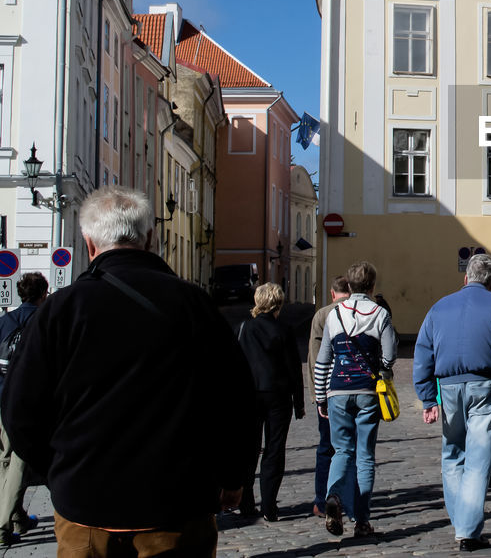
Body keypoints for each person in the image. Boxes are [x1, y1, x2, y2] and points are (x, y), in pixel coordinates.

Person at [1, 186, 256, 554]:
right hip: (176, 505)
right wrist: (234, 475)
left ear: (89, 243)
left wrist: (62, 468)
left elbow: (19, 408)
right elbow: (237, 399)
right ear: (150, 239)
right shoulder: (193, 305)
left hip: (85, 507)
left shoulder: (60, 310)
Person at [413, 254, 491, 551]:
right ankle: (467, 529)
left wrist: (427, 396)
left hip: (448, 386)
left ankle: (460, 520)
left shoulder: (438, 307)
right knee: (478, 457)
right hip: (486, 384)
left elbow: (423, 353)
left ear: (465, 278)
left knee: (452, 453)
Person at [314, 261, 396, 539]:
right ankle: (361, 520)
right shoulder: (380, 314)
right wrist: (378, 365)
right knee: (365, 456)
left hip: (337, 389)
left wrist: (319, 397)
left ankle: (334, 496)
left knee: (341, 451)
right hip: (367, 391)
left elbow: (323, 359)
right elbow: (389, 357)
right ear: (372, 286)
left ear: (348, 285)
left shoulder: (334, 315)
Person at [237, 282, 305, 522]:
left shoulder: (245, 328)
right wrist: (299, 402)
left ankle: (245, 503)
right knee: (274, 450)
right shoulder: (283, 330)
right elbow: (293, 368)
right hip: (278, 396)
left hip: (250, 395)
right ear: (279, 304)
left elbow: (236, 365)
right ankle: (268, 506)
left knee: (249, 450)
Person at [0, 273, 47, 545]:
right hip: (25, 402)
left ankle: (17, 517)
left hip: (1, 397)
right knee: (19, 462)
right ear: (43, 293)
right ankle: (4, 526)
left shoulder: (5, 321)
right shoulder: (41, 321)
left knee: (4, 461)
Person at [307, 276, 351, 518]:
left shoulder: (322, 315)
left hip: (329, 390)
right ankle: (347, 497)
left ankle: (321, 500)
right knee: (351, 448)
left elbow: (314, 357)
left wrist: (316, 394)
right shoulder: (362, 311)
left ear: (333, 293)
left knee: (326, 447)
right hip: (356, 388)